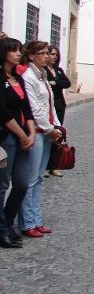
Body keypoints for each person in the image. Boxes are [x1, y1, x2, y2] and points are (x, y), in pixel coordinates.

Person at [20, 41, 62, 237]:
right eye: (42, 53)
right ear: (31, 56)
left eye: (47, 53)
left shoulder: (42, 75)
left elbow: (50, 105)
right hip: (37, 132)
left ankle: (36, 219)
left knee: (37, 178)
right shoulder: (28, 77)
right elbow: (34, 108)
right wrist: (49, 128)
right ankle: (27, 222)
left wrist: (57, 127)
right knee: (30, 179)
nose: (47, 56)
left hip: (46, 132)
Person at [0, 38, 35, 248]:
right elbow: (3, 112)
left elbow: (26, 108)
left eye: (19, 50)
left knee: (22, 183)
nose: (18, 54)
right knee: (3, 184)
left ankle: (7, 221)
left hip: (23, 135)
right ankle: (2, 230)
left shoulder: (18, 78)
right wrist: (22, 135)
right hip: (7, 137)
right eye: (14, 50)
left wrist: (31, 132)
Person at [44, 45, 71, 178]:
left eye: (56, 54)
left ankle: (53, 166)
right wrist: (56, 83)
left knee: (58, 134)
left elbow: (67, 83)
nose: (54, 57)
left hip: (59, 105)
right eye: (51, 54)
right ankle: (44, 166)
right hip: (48, 105)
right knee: (48, 135)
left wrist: (55, 83)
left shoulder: (58, 70)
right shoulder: (43, 70)